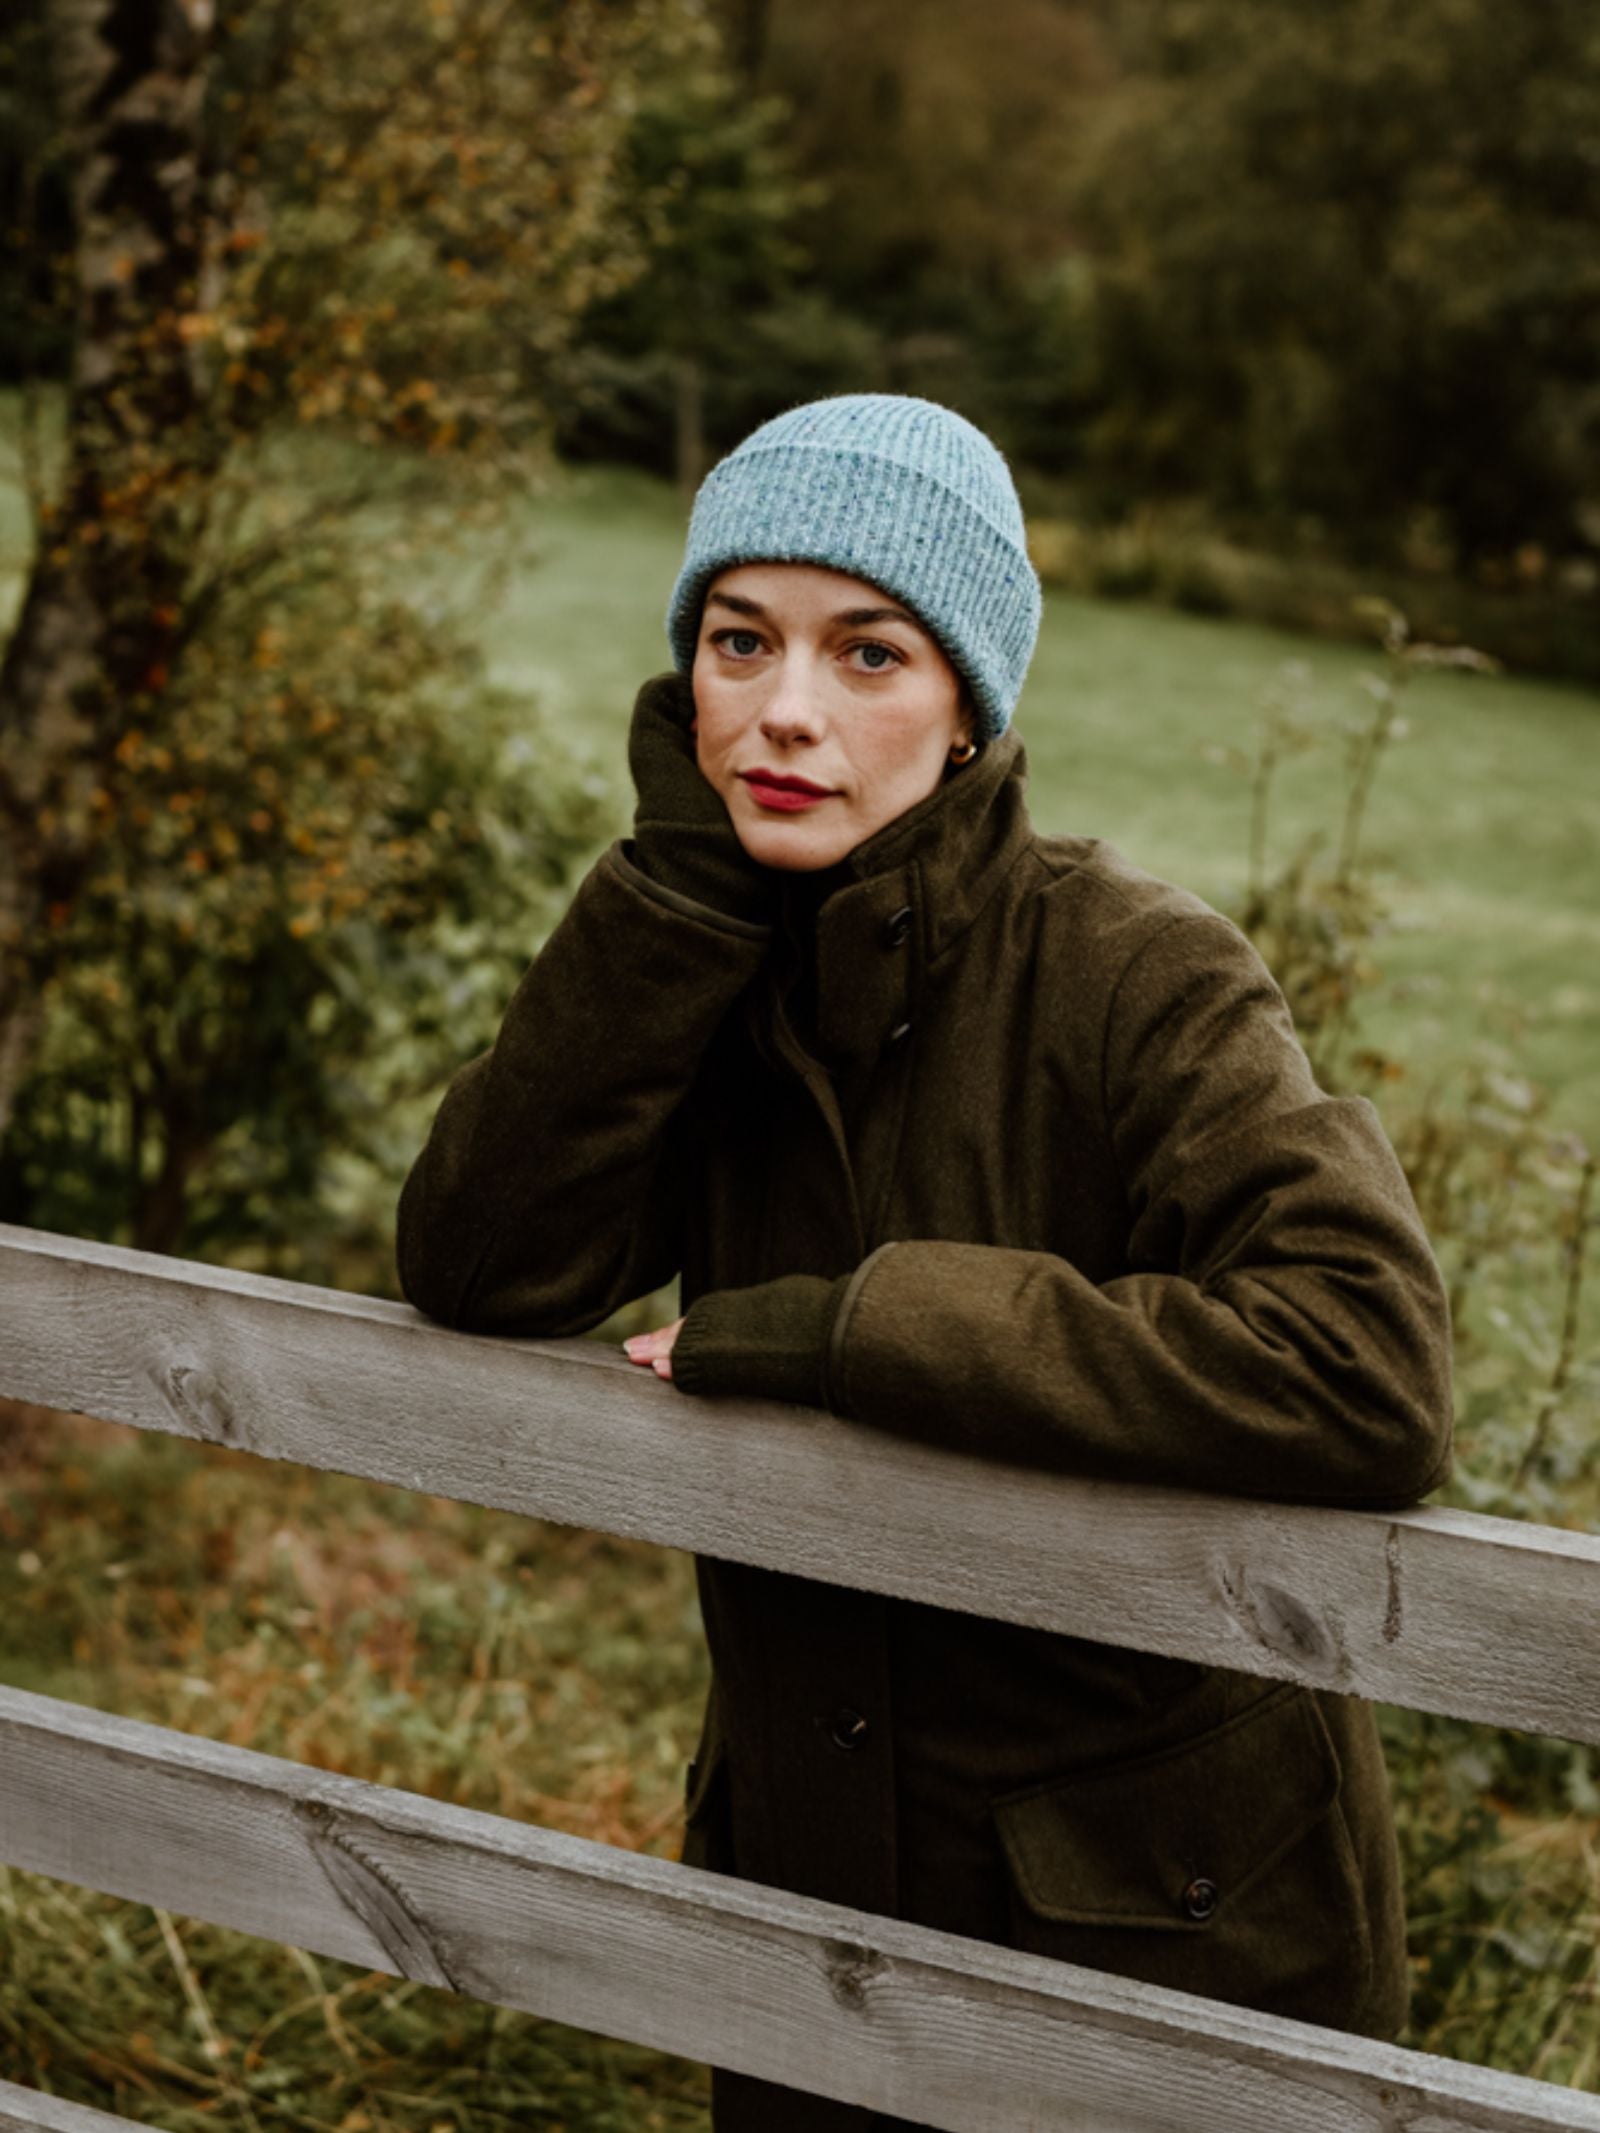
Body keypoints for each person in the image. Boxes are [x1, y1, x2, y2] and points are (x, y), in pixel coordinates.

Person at [395, 393, 1453, 2131]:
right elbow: (485, 1256)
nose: (784, 712)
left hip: (1157, 1942)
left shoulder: (1137, 975)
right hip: (813, 1898)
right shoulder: (709, 959)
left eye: (868, 652)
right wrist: (670, 885)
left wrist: (862, 1329)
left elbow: (1365, 1358)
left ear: (967, 701)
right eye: (739, 643)